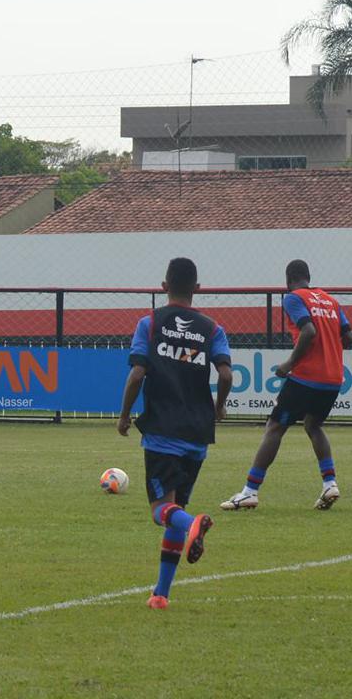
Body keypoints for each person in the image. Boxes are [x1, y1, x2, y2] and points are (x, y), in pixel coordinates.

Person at [118, 258, 232, 610]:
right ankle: (161, 594)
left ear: (164, 286)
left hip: (163, 431)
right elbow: (226, 375)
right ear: (197, 289)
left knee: (161, 510)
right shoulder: (212, 329)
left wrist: (124, 415)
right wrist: (219, 406)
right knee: (175, 509)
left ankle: (194, 522)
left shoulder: (149, 323)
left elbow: (137, 375)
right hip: (198, 434)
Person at [221, 259, 352, 512]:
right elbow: (348, 337)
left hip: (306, 377)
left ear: (288, 279)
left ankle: (250, 491)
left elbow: (309, 331)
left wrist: (290, 363)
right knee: (313, 425)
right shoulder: (332, 301)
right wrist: (329, 351)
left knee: (274, 427)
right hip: (333, 379)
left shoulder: (294, 298)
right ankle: (329, 483)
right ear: (309, 276)